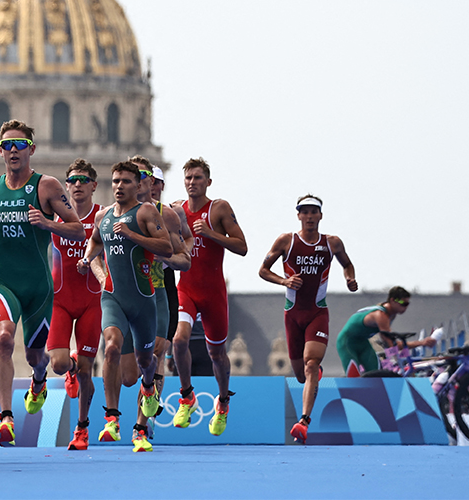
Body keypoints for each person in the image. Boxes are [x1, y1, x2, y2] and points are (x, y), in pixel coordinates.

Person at [0, 120, 83, 445]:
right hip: (4, 283)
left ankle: (38, 378)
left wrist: (47, 223)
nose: (14, 151)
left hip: (39, 289)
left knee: (35, 356)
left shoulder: (47, 186)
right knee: (2, 341)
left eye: (20, 144)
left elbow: (79, 229)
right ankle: (6, 418)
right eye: (7, 145)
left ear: (32, 148)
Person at [81, 161, 172, 452]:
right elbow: (94, 243)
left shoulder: (145, 212)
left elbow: (167, 248)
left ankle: (148, 393)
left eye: (126, 181)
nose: (119, 186)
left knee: (145, 364)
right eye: (116, 181)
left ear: (138, 185)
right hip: (113, 296)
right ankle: (112, 418)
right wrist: (88, 261)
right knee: (110, 347)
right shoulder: (104, 216)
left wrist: (132, 236)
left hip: (143, 300)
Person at [259, 194, 358, 443]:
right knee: (301, 375)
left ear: (321, 215)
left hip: (317, 312)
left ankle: (303, 422)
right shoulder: (286, 241)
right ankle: (312, 376)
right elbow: (262, 270)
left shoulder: (332, 243)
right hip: (292, 314)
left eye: (314, 211)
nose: (310, 216)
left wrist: (349, 278)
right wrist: (284, 281)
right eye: (305, 211)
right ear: (298, 215)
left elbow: (347, 264)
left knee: (311, 364)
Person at [171, 157, 247, 436]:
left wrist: (213, 234)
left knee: (216, 354)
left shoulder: (219, 209)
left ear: (208, 182)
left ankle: (223, 401)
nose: (192, 183)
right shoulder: (176, 210)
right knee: (179, 340)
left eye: (198, 178)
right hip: (187, 288)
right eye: (188, 178)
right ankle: (187, 396)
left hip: (214, 292)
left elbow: (242, 247)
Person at [43, 159, 103, 450]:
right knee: (58, 363)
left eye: (83, 180)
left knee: (88, 371)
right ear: (66, 186)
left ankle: (82, 429)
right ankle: (71, 366)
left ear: (93, 185)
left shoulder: (102, 217)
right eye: (73, 180)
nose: (77, 185)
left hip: (92, 300)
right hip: (60, 300)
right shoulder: (54, 217)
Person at [146, 164, 192, 414]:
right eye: (146, 180)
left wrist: (175, 257)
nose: (150, 185)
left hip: (163, 283)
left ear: (161, 186)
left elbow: (187, 240)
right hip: (134, 289)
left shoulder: (172, 213)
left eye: (155, 182)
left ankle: (148, 415)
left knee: (160, 350)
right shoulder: (123, 211)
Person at [335, 286, 435, 376]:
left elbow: (392, 344)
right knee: (354, 377)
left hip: (363, 343)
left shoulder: (391, 315)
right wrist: (397, 360)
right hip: (347, 343)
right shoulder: (381, 315)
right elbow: (390, 343)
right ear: (392, 300)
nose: (405, 307)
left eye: (407, 304)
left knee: (376, 374)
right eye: (403, 303)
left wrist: (421, 343)